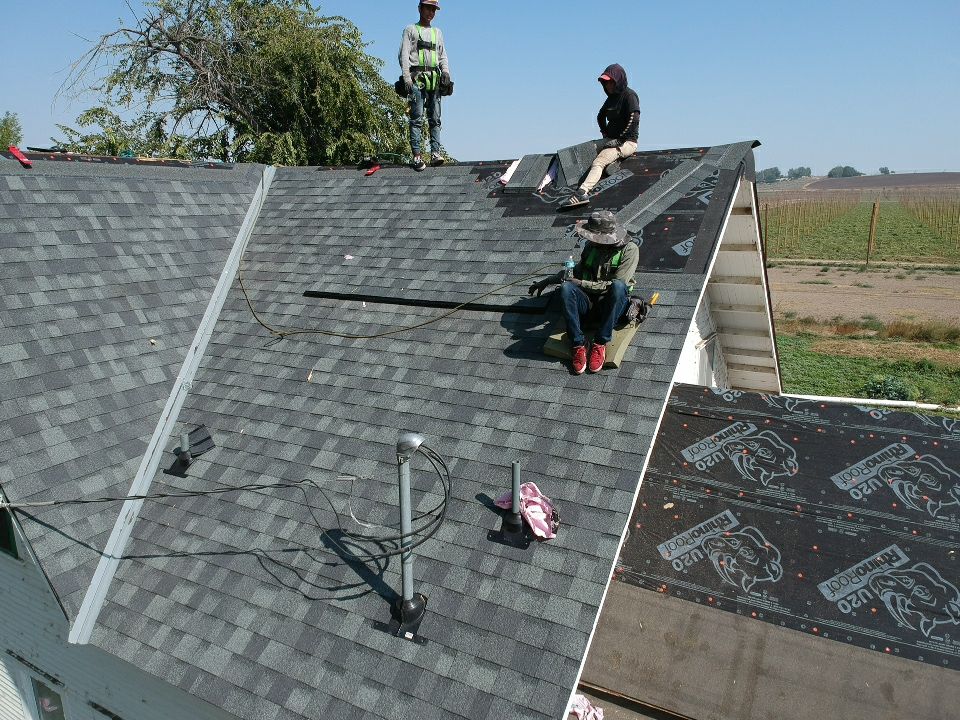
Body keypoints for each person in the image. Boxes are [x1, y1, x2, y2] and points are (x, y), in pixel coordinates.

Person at [529, 211, 639, 374]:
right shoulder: (591, 247)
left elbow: (616, 285)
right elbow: (574, 274)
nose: (589, 240)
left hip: (610, 307)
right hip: (587, 303)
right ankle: (578, 344)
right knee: (566, 288)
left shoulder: (629, 250)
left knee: (618, 287)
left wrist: (582, 283)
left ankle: (600, 343)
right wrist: (547, 281)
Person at [560, 64, 640, 209]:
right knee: (586, 148)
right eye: (605, 82)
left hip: (627, 142)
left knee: (599, 161)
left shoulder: (630, 96)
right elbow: (600, 116)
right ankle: (613, 163)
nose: (607, 85)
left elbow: (634, 119)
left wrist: (620, 139)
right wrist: (605, 133)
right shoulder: (611, 99)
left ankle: (582, 193)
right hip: (611, 139)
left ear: (618, 81)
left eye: (609, 81)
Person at [399, 0, 452, 171]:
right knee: (416, 119)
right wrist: (407, 78)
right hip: (417, 79)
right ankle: (417, 156)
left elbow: (443, 55)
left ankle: (435, 153)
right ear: (420, 8)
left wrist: (446, 73)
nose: (431, 12)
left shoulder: (437, 32)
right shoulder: (410, 30)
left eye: (433, 9)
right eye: (428, 8)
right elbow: (404, 54)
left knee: (435, 118)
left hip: (434, 79)